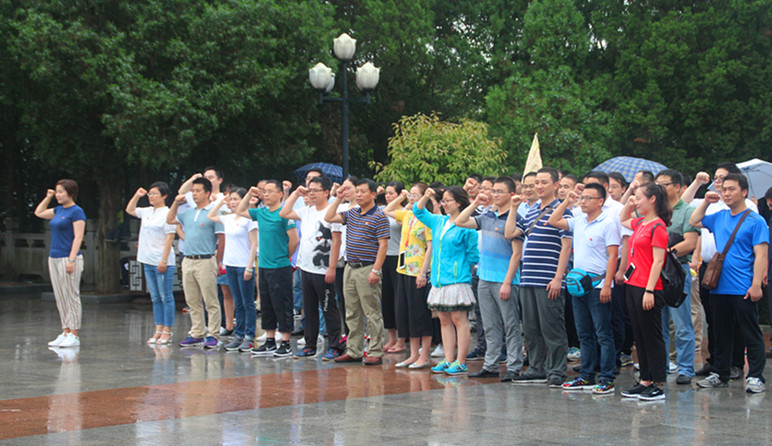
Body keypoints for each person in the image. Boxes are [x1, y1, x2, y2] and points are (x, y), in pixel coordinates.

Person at [691, 173, 769, 393]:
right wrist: (706, 202)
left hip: (743, 286)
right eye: (724, 189)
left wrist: (756, 284)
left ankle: (756, 376)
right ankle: (720, 372)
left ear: (744, 192)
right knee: (720, 332)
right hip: (719, 286)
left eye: (731, 189)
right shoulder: (720, 217)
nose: (726, 193)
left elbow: (761, 255)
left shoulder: (756, 221)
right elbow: (694, 221)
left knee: (749, 332)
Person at [548, 184, 620, 394]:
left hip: (598, 285)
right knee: (584, 334)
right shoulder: (578, 220)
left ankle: (606, 378)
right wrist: (567, 201)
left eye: (589, 198)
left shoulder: (607, 223)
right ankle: (586, 375)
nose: (584, 201)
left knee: (603, 333)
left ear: (601, 201)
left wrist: (607, 285)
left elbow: (613, 256)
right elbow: (553, 220)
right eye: (583, 197)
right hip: (578, 285)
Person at [506, 167, 572, 388]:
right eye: (537, 183)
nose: (539, 186)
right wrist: (514, 208)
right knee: (532, 328)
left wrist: (558, 278)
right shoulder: (531, 212)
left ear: (556, 185)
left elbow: (566, 247)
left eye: (544, 182)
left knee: (552, 327)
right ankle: (536, 368)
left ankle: (557, 370)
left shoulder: (562, 211)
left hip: (549, 279)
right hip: (528, 279)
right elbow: (509, 233)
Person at [456, 176, 525, 382]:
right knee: (489, 324)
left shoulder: (516, 219)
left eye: (499, 191)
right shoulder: (487, 215)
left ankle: (514, 366)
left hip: (505, 280)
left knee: (510, 324)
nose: (495, 195)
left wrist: (507, 282)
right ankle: (490, 365)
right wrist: (475, 203)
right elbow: (460, 221)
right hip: (484, 277)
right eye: (493, 191)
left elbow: (517, 254)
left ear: (511, 194)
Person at [413, 186, 479, 376]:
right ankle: (449, 359)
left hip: (457, 279)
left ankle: (461, 361)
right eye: (443, 200)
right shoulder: (439, 221)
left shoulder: (467, 226)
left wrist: (462, 269)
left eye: (448, 200)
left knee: (459, 320)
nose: (444, 204)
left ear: (459, 202)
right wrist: (426, 196)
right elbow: (418, 211)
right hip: (439, 279)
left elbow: (473, 255)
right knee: (444, 320)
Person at [325, 178, 390, 365]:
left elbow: (383, 246)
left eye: (363, 191)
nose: (359, 195)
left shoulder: (379, 216)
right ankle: (354, 350)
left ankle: (375, 351)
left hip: (367, 267)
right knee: (352, 311)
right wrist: (338, 198)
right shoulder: (352, 213)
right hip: (350, 267)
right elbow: (329, 217)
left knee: (372, 311)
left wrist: (376, 270)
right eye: (357, 191)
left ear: (373, 194)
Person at [280, 176, 344, 361]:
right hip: (305, 267)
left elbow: (337, 242)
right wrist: (295, 194)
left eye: (316, 190)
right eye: (310, 190)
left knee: (328, 308)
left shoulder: (332, 212)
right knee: (309, 309)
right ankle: (310, 345)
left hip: (323, 269)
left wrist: (332, 268)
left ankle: (334, 346)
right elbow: (284, 213)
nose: (312, 194)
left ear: (326, 192)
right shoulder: (306, 211)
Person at [619, 182, 670, 401]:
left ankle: (657, 382)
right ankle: (645, 379)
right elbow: (622, 219)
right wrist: (630, 199)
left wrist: (649, 290)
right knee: (639, 335)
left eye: (640, 198)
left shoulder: (658, 227)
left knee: (652, 335)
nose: (636, 202)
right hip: (633, 284)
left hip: (648, 287)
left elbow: (658, 261)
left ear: (652, 199)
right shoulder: (641, 222)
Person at [236, 180, 298, 358]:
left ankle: (285, 342)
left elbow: (294, 240)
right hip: (263, 265)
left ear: (280, 194)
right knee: (267, 304)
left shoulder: (285, 214)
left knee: (282, 303)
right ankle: (270, 340)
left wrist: (284, 255)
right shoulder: (261, 212)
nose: (266, 195)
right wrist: (250, 194)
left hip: (280, 266)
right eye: (264, 192)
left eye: (270, 191)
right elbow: (240, 211)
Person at [167, 176, 223, 349]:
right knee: (192, 300)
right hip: (188, 259)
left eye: (198, 191)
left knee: (210, 299)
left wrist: (218, 261)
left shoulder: (213, 213)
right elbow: (170, 220)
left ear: (207, 193)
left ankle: (213, 334)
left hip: (206, 259)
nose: (194, 194)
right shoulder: (188, 212)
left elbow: (221, 238)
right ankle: (197, 332)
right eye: (193, 191)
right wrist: (175, 203)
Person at [383, 182, 434, 369]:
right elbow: (387, 210)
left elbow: (430, 247)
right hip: (403, 269)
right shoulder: (408, 215)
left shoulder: (428, 219)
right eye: (410, 195)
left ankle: (424, 355)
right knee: (406, 313)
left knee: (420, 313)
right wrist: (402, 198)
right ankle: (413, 355)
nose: (412, 198)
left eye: (415, 195)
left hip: (418, 270)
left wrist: (423, 272)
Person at [654, 170, 698, 384]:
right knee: (659, 324)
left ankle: (686, 368)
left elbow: (690, 242)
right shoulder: (655, 210)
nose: (659, 188)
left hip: (677, 271)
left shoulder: (687, 211)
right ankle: (661, 367)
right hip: (656, 272)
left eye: (664, 184)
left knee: (681, 324)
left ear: (678, 187)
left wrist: (664, 253)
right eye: (657, 184)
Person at [36, 179, 86, 348]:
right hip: (54, 257)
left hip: (69, 258)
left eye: (60, 192)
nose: (58, 195)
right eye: (56, 192)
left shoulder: (77, 211)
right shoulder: (58, 210)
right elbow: (39, 212)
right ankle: (65, 331)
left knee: (71, 295)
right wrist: (48, 197)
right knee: (60, 296)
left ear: (70, 193)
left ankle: (74, 334)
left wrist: (71, 259)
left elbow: (78, 237)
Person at [207, 188, 258, 353]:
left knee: (247, 302)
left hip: (244, 265)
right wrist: (221, 203)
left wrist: (249, 266)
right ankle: (239, 334)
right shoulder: (228, 218)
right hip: (230, 265)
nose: (233, 202)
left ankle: (249, 336)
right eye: (231, 199)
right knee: (238, 301)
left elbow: (254, 244)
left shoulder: (249, 219)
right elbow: (211, 216)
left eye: (236, 199)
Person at [126, 182, 177, 345]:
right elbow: (130, 210)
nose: (151, 196)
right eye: (150, 194)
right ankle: (158, 328)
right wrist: (137, 195)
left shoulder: (168, 213)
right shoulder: (147, 211)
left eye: (155, 194)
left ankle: (167, 330)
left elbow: (170, 237)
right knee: (155, 297)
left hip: (162, 261)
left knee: (165, 296)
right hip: (147, 259)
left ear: (164, 196)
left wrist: (163, 260)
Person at [381, 181, 407, 354]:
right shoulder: (382, 211)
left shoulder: (405, 211)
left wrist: (402, 200)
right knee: (387, 299)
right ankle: (391, 337)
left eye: (391, 193)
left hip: (400, 257)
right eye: (387, 193)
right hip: (385, 257)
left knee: (399, 300)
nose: (388, 196)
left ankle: (402, 339)